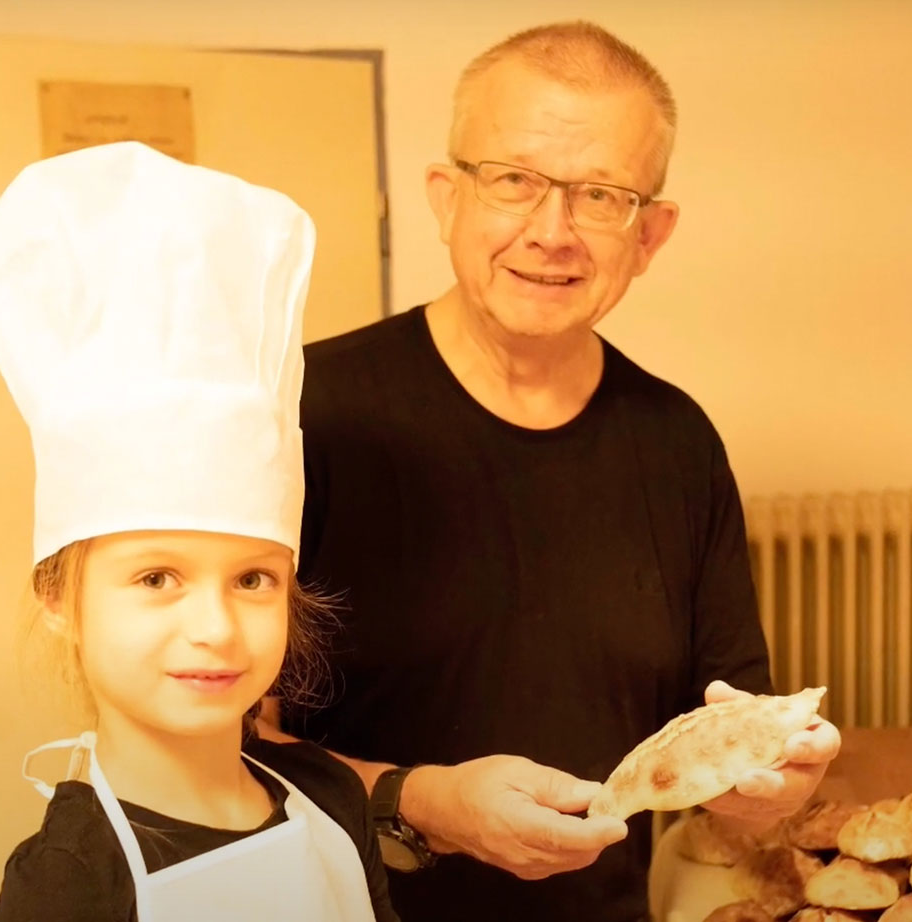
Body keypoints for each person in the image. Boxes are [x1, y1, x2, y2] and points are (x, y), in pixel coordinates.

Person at [266, 21, 842, 922]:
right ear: (446, 197)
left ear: (648, 236)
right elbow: (209, 747)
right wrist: (423, 804)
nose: (551, 232)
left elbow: (726, 734)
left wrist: (771, 786)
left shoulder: (677, 442)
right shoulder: (301, 412)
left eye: (601, 196)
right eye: (513, 181)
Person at [0, 141, 397, 922]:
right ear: (58, 596)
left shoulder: (327, 794)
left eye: (252, 579)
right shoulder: (68, 881)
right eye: (156, 578)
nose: (215, 627)